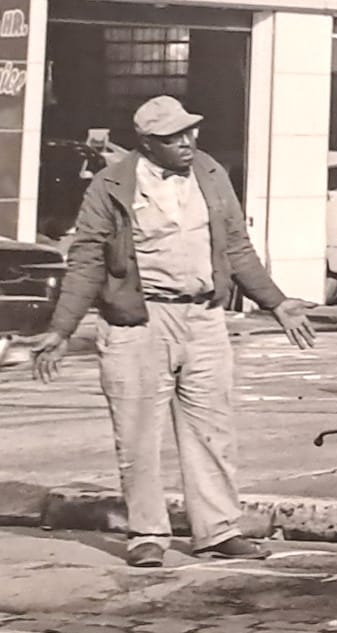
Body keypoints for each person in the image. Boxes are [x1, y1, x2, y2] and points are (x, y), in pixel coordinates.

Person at [21, 96, 318, 567]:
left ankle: (218, 530)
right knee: (137, 435)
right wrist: (61, 329)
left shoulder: (210, 172)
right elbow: (87, 261)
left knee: (212, 430)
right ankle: (147, 534)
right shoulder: (111, 185)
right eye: (173, 137)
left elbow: (238, 247)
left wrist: (277, 303)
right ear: (146, 144)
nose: (187, 142)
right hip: (138, 324)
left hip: (203, 319)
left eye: (190, 131)